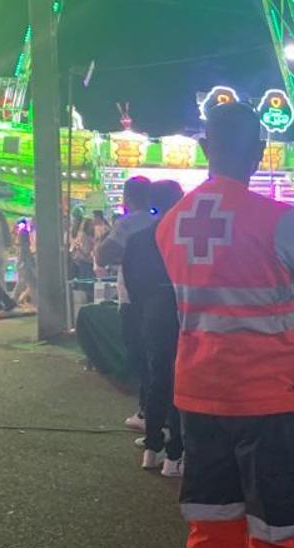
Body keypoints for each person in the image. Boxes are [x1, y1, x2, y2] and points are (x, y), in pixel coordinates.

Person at [156, 102, 294, 547]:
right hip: (269, 395)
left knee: (214, 519)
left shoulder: (171, 224)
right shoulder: (276, 218)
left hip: (199, 392)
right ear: (260, 152)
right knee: (282, 526)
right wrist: (290, 283)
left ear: (205, 147)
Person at [124, 180, 187, 477]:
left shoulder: (139, 238)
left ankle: (151, 448)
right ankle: (175, 456)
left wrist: (145, 307)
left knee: (157, 377)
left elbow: (131, 281)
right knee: (179, 381)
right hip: (179, 312)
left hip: (150, 312)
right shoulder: (184, 235)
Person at [95, 176, 156, 434]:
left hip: (132, 298)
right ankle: (157, 411)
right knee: (157, 356)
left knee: (141, 356)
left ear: (128, 198)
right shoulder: (158, 221)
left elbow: (102, 254)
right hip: (159, 297)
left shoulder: (127, 224)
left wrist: (123, 256)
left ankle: (147, 412)